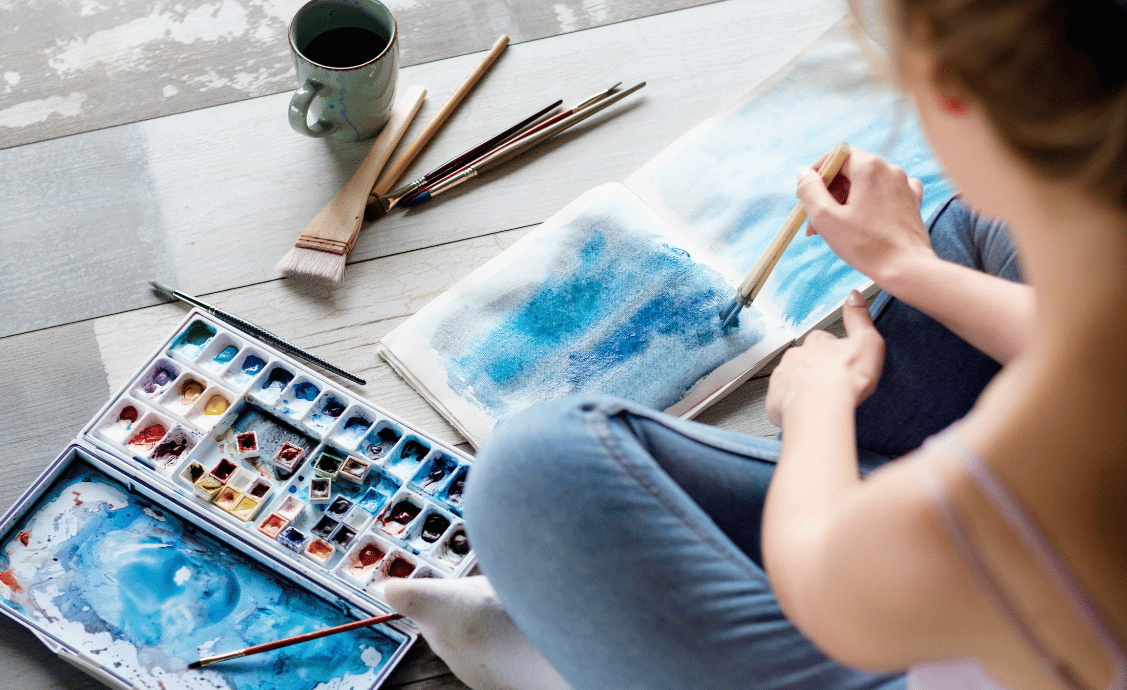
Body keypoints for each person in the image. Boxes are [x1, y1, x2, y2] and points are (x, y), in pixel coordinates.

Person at [385, 1, 1127, 688]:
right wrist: (910, 267)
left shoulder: (1012, 495)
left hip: (889, 610)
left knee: (531, 476)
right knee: (972, 235)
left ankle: (586, 651)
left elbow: (827, 579)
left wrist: (817, 408)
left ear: (949, 92)